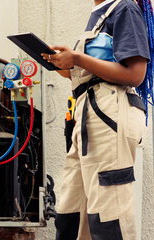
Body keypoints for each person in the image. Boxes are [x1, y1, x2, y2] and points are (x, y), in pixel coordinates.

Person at [42, 0, 153, 239]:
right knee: (72, 214)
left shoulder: (123, 8)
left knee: (108, 216)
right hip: (88, 115)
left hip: (108, 114)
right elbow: (89, 73)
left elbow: (136, 74)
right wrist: (61, 62)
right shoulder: (99, 13)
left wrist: (79, 59)